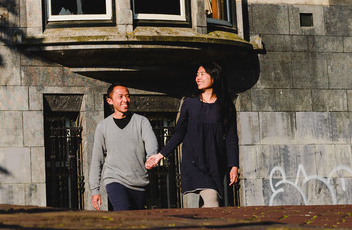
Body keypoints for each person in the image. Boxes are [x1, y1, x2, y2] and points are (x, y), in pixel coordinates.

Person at [146, 62, 239, 208]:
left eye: (202, 74)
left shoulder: (226, 106)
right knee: (203, 206)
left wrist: (234, 165)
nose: (198, 78)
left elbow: (232, 138)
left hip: (214, 163)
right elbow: (179, 133)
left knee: (210, 203)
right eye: (197, 74)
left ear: (214, 77)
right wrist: (160, 155)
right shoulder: (189, 103)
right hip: (193, 162)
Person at [87, 84, 160, 211]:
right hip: (115, 179)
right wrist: (94, 190)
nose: (125, 100)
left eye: (127, 96)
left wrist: (151, 158)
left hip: (139, 182)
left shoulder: (141, 122)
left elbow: (151, 143)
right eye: (120, 97)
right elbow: (97, 160)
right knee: (123, 212)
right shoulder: (103, 126)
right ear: (110, 101)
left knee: (136, 222)